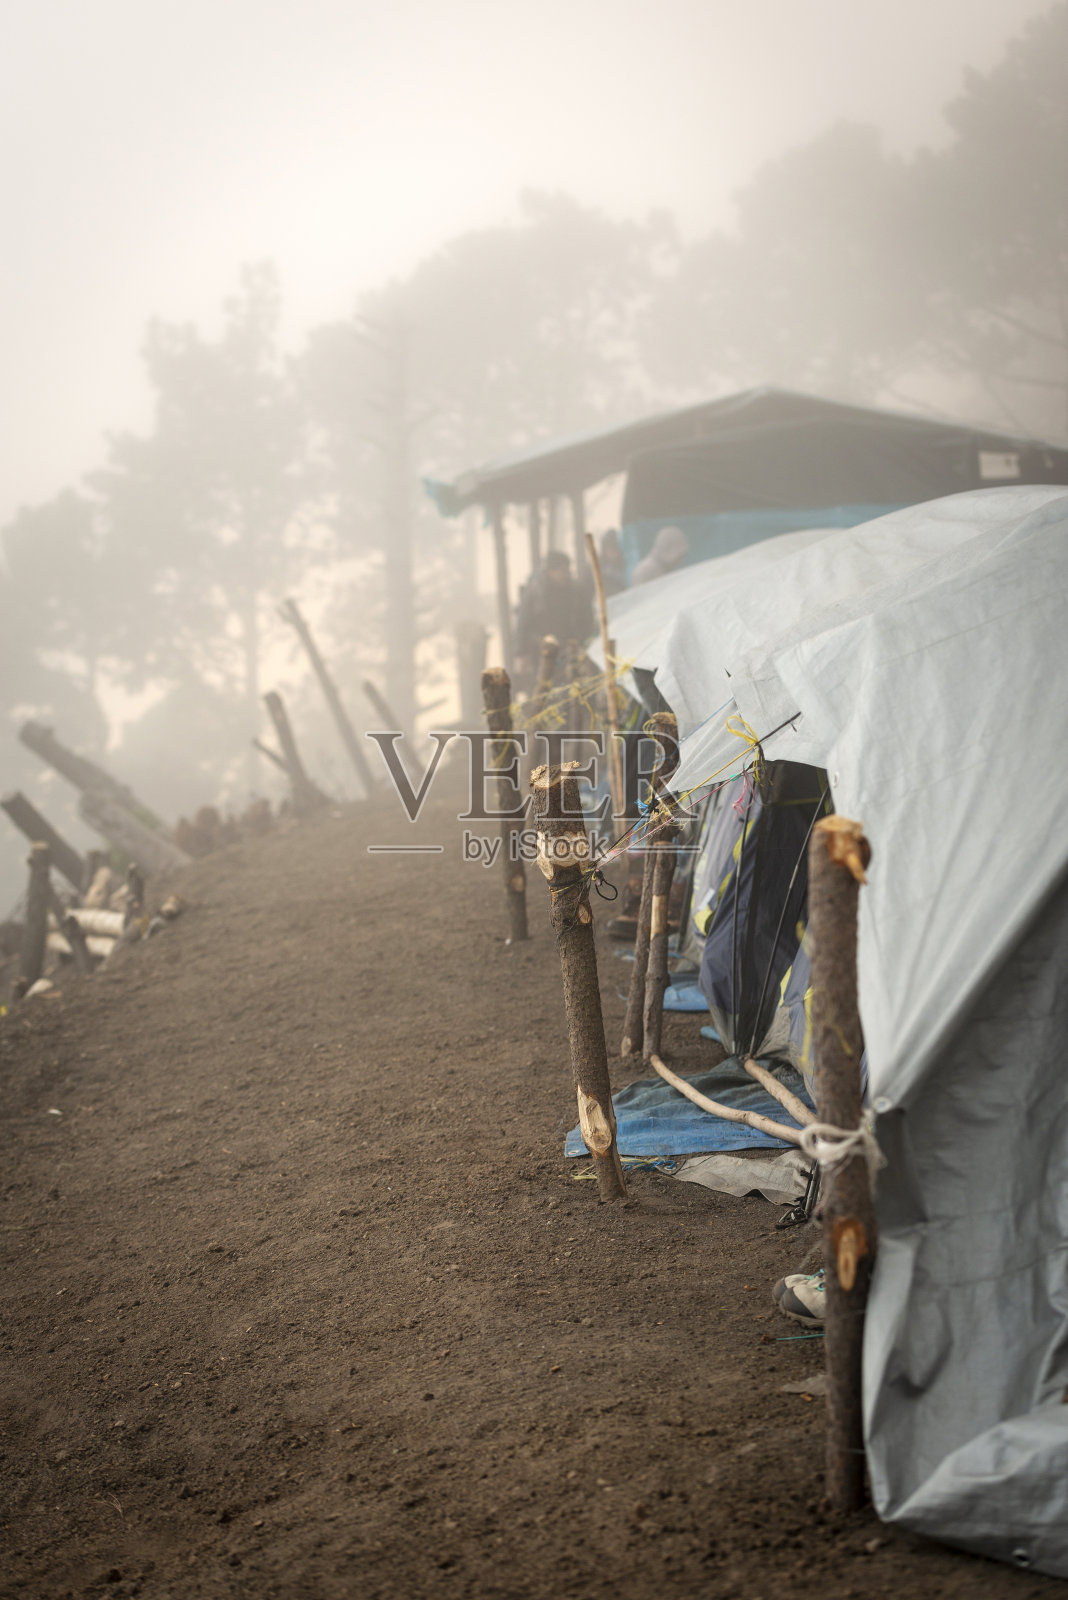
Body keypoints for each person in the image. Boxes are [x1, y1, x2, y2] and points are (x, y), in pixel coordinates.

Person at [514, 550, 593, 688]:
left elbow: (587, 619)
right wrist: (522, 653)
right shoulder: (535, 591)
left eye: (567, 569)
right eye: (561, 570)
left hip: (570, 651)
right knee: (542, 689)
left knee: (571, 690)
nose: (566, 574)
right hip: (540, 652)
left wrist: (582, 641)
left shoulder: (576, 591)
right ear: (550, 571)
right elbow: (523, 623)